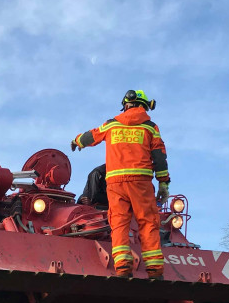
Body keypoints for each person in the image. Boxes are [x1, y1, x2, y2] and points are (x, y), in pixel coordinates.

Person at [71, 90, 169, 279]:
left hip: (115, 184)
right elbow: (159, 157)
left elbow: (92, 136)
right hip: (141, 182)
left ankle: (123, 268)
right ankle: (155, 270)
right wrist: (164, 183)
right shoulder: (150, 127)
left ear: (125, 105)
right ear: (144, 106)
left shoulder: (112, 124)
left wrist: (77, 141)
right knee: (148, 222)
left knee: (118, 222)